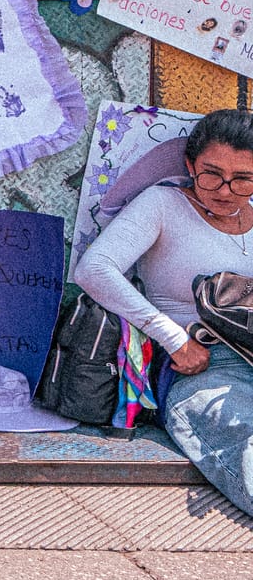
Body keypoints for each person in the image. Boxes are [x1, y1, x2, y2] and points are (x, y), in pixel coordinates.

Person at [73, 110, 253, 515]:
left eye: (242, 178)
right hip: (199, 363)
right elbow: (94, 269)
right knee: (244, 439)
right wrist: (173, 338)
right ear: (190, 165)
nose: (225, 190)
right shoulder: (163, 204)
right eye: (211, 174)